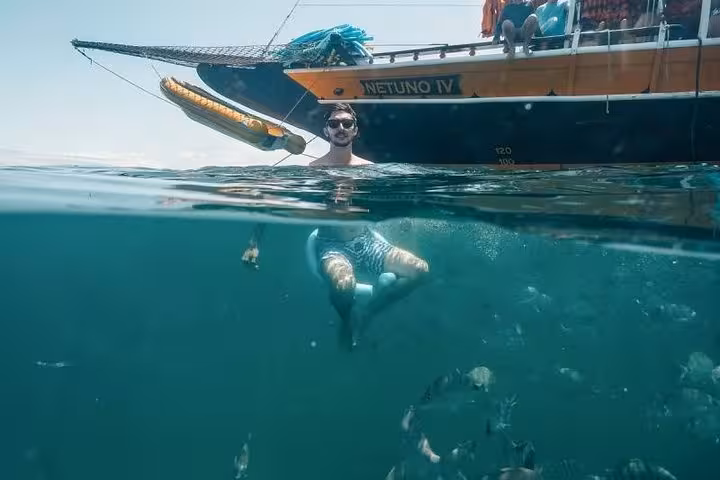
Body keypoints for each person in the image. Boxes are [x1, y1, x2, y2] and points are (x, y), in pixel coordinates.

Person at [242, 103, 430, 351]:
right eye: (333, 124)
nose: (340, 127)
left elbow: (393, 203)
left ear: (355, 131)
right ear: (326, 131)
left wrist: (405, 217)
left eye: (346, 123)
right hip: (332, 246)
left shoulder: (369, 171)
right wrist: (253, 244)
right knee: (343, 286)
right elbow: (270, 203)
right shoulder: (313, 172)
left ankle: (369, 313)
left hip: (368, 243)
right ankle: (347, 320)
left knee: (420, 270)